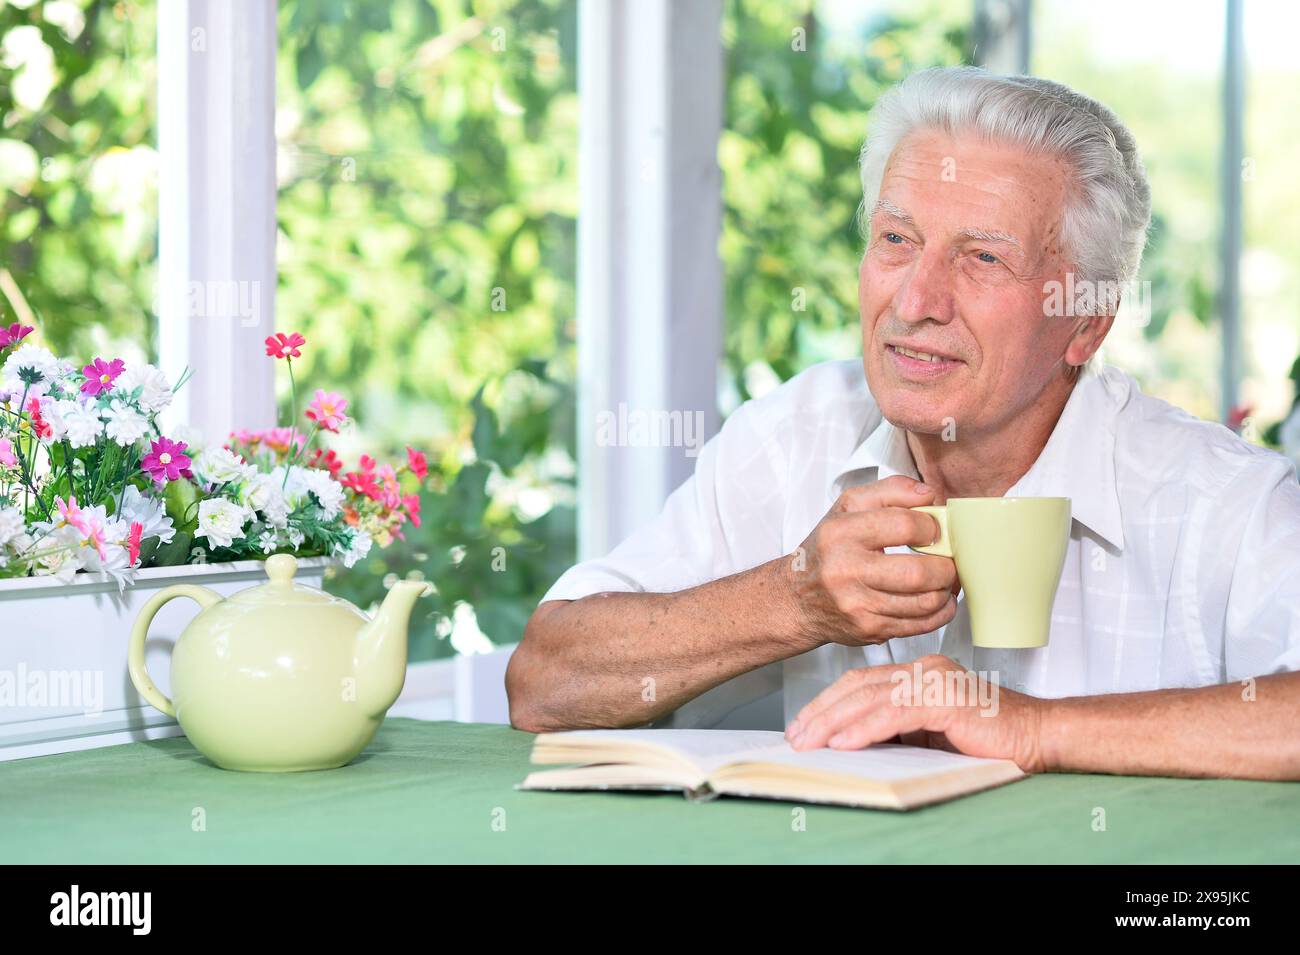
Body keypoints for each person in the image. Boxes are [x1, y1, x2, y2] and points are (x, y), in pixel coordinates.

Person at [507, 66, 1300, 780]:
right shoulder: (793, 433)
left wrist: (1030, 727)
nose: (916, 301)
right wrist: (794, 597)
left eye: (981, 258)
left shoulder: (1224, 501)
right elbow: (545, 681)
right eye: (896, 239)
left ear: (1085, 322)